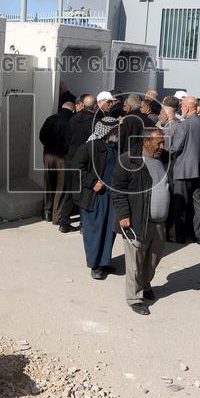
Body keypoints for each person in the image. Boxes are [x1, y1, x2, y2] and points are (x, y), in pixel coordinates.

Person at [112, 128, 169, 315]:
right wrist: (123, 215)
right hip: (137, 220)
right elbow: (118, 190)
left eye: (163, 142)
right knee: (135, 262)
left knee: (152, 260)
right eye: (159, 143)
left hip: (160, 222)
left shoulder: (163, 159)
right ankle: (134, 298)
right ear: (146, 142)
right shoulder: (129, 161)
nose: (162, 146)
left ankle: (144, 284)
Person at [75, 116, 120, 280]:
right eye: (115, 129)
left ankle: (104, 262)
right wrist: (92, 182)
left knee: (110, 231)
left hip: (112, 196)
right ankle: (95, 265)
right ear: (108, 131)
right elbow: (76, 169)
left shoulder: (115, 147)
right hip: (96, 197)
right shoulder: (89, 147)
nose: (118, 132)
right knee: (95, 231)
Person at [168, 96, 200, 244]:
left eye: (182, 107)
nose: (181, 109)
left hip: (183, 171)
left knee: (180, 204)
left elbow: (175, 148)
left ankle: (179, 235)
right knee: (199, 204)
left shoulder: (183, 125)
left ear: (187, 108)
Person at [63, 95, 97, 233]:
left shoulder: (73, 119)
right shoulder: (95, 121)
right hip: (85, 160)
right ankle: (84, 225)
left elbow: (67, 138)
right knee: (84, 192)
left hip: (71, 158)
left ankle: (64, 222)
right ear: (94, 106)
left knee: (70, 191)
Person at [39, 102, 75, 224]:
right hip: (62, 157)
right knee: (61, 186)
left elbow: (42, 136)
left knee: (48, 182)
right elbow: (71, 140)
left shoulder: (50, 118)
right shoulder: (71, 121)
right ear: (73, 110)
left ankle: (46, 212)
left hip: (48, 155)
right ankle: (57, 216)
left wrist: (49, 146)